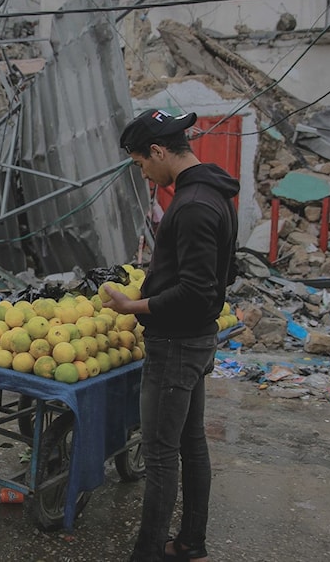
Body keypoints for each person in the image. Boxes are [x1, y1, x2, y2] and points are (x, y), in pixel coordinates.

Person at [103, 109, 239, 561]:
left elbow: (197, 292)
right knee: (190, 443)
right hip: (196, 340)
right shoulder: (213, 192)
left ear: (159, 151)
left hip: (177, 344)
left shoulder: (194, 204)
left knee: (160, 454)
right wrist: (161, 275)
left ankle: (148, 553)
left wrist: (133, 306)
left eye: (141, 163)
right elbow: (222, 273)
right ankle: (190, 544)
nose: (144, 174)